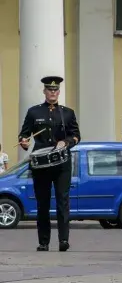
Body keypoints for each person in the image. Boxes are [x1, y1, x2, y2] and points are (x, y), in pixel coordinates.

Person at [18, 76, 81, 252]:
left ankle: (63, 240)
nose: (52, 92)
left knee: (63, 201)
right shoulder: (34, 112)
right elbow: (24, 134)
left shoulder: (67, 112)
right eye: (49, 90)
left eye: (55, 90)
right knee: (42, 203)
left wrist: (66, 142)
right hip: (41, 165)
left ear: (59, 92)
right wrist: (23, 142)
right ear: (44, 91)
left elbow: (76, 135)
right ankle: (43, 242)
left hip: (62, 164)